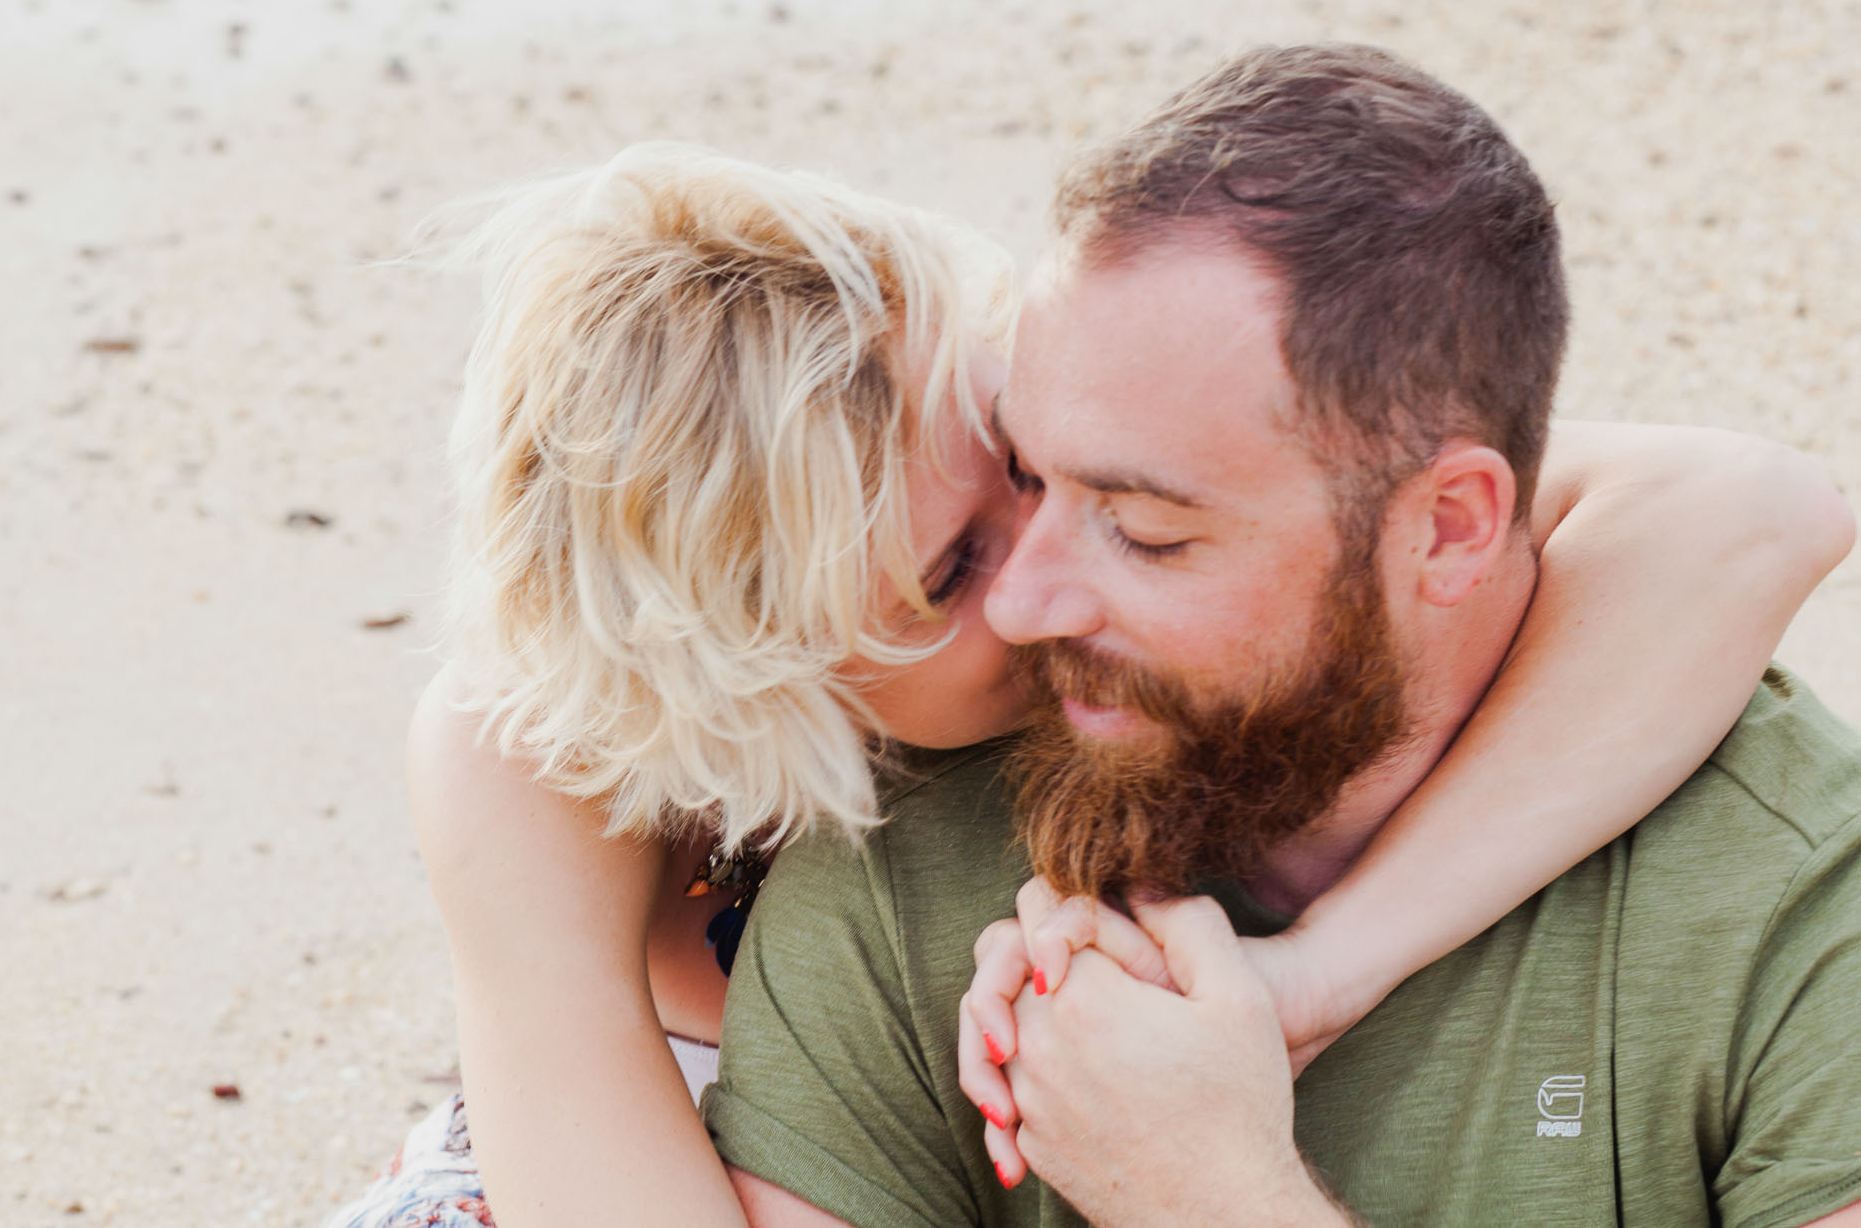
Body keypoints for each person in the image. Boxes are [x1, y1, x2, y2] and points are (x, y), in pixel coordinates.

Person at [326, 140, 1851, 1228]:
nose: (1056, 571)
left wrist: (1328, 967)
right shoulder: (533, 778)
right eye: (951, 574)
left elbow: (1751, 510)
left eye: (1034, 464)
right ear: (763, 673)